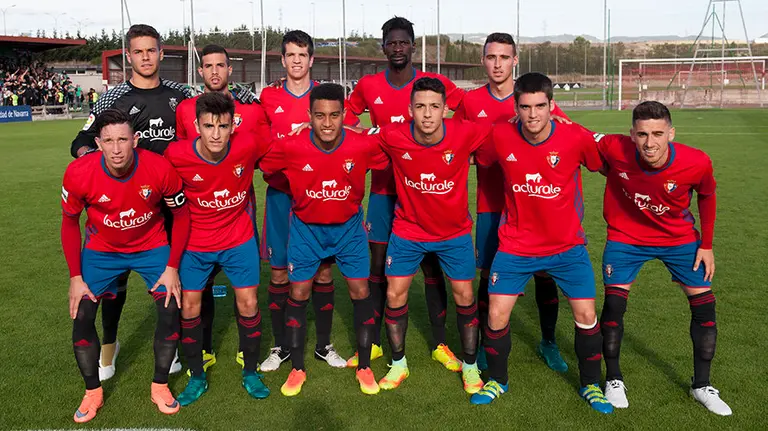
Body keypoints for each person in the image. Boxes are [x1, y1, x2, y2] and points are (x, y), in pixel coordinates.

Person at [471, 72, 612, 414]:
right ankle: (498, 380)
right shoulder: (500, 134)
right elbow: (477, 157)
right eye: (525, 107)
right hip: (515, 245)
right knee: (496, 312)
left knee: (586, 314)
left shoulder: (574, 136)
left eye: (539, 106)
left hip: (567, 246)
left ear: (552, 106)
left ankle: (591, 385)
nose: (532, 114)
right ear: (515, 107)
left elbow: (605, 164)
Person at [69, 24, 193, 382]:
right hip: (125, 207)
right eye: (138, 51)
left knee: (177, 280)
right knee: (115, 285)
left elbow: (208, 119)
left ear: (161, 54)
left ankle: (179, 348)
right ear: (129, 56)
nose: (145, 57)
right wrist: (95, 162)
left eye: (151, 50)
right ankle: (109, 345)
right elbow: (81, 140)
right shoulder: (114, 98)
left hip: (172, 203)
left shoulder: (182, 94)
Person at [344, 16, 465, 371]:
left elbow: (467, 108)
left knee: (432, 267)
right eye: (391, 43)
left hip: (426, 192)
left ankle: (440, 343)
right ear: (384, 47)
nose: (397, 48)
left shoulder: (433, 84)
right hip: (384, 191)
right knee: (378, 268)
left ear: (413, 46)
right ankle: (375, 343)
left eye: (403, 42)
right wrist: (365, 133)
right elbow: (347, 116)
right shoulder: (369, 85)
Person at [595, 101, 731, 415]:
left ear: (671, 133)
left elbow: (707, 195)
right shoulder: (615, 147)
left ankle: (702, 386)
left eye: (657, 134)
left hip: (679, 240)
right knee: (614, 306)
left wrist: (706, 244)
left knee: (705, 307)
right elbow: (576, 135)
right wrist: (553, 113)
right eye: (642, 134)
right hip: (626, 238)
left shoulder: (696, 161)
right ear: (632, 134)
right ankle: (613, 379)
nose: (649, 142)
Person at [61, 109, 190, 423]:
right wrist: (75, 277)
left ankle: (160, 385)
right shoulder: (78, 172)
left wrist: (172, 267)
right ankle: (92, 391)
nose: (116, 148)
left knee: (171, 306)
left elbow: (182, 215)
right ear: (98, 143)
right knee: (82, 314)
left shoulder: (159, 167)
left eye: (122, 139)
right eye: (108, 141)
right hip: (101, 251)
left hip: (151, 246)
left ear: (135, 139)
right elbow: (69, 223)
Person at [452, 32, 569, 372]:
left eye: (504, 57)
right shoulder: (471, 102)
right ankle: (487, 345)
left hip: (534, 204)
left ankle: (548, 342)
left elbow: (563, 131)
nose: (498, 64)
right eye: (491, 57)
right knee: (489, 275)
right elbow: (455, 142)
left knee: (544, 274)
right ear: (483, 61)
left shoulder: (530, 97)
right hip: (491, 203)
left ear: (515, 60)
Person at [259, 83, 386, 396]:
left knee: (360, 291)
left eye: (334, 115)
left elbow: (389, 150)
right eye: (319, 116)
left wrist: (359, 131)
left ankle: (365, 367)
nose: (327, 123)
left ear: (344, 115)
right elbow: (267, 167)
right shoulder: (291, 146)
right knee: (298, 291)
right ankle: (297, 369)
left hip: (349, 229)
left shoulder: (361, 145)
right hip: (306, 230)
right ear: (309, 116)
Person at [370, 77, 487, 394]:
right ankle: (398, 364)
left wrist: (555, 117)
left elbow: (508, 132)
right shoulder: (393, 135)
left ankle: (471, 367)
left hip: (454, 233)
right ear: (410, 109)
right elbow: (353, 136)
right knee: (395, 294)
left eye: (434, 106)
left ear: (445, 109)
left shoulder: (465, 132)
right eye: (420, 106)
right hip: (408, 230)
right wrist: (310, 130)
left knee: (465, 295)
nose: (427, 114)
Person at [258, 30, 358, 372]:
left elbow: (354, 131)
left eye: (302, 55)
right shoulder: (269, 97)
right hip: (281, 198)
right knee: (279, 275)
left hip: (319, 199)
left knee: (323, 274)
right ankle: (280, 347)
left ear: (311, 59)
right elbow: (258, 141)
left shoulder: (325, 98)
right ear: (282, 60)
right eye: (291, 55)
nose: (297, 61)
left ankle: (324, 346)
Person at [167, 92, 271, 405]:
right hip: (196, 243)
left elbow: (285, 148)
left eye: (223, 126)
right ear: (196, 125)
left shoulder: (248, 144)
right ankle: (197, 376)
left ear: (232, 126)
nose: (216, 134)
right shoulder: (176, 154)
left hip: (238, 239)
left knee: (249, 302)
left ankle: (250, 372)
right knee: (189, 307)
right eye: (209, 126)